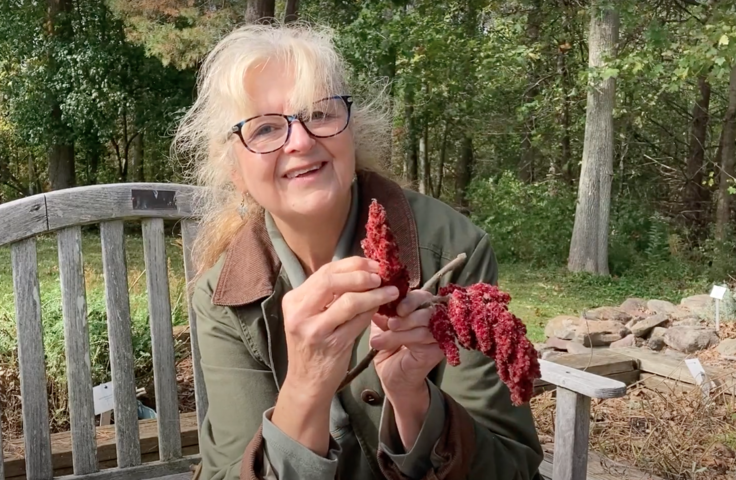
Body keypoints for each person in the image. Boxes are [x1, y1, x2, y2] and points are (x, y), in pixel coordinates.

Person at [173, 22, 544, 480]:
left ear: (353, 132)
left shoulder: (452, 248)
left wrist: (413, 400)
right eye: (266, 128)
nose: (302, 140)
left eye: (322, 114)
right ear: (235, 168)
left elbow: (512, 467)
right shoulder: (223, 297)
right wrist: (306, 384)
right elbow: (227, 472)